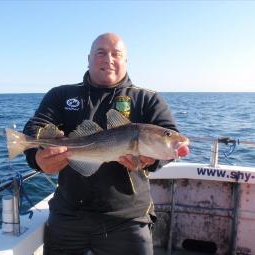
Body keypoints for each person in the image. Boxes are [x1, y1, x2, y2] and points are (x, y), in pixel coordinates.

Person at [23, 33, 178, 255]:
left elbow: (171, 141)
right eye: (100, 53)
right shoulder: (61, 95)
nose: (109, 59)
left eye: (117, 54)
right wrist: (37, 159)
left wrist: (152, 162)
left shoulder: (148, 99)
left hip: (129, 218)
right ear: (88, 58)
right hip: (68, 215)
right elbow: (35, 127)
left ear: (126, 60)